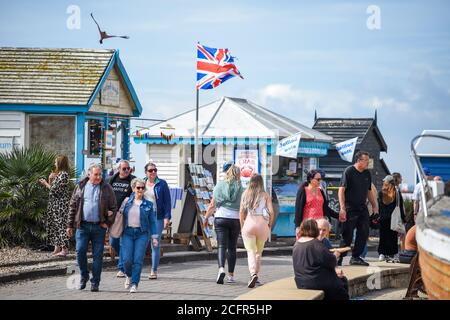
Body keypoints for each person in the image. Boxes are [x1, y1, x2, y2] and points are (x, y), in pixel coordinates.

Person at [67, 163, 117, 292]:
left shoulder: (107, 188)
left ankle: (95, 282)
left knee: (98, 256)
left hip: (99, 227)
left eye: (100, 174)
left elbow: (113, 208)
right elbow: (73, 206)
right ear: (89, 174)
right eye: (96, 174)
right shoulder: (80, 186)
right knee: (80, 251)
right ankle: (84, 275)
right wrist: (69, 225)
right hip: (82, 226)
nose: (99, 177)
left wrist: (107, 223)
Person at [204, 161, 244, 284]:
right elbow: (243, 207)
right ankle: (231, 276)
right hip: (235, 219)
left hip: (221, 217)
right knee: (232, 248)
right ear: (238, 175)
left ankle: (221, 269)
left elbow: (212, 205)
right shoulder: (242, 188)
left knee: (222, 246)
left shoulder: (219, 185)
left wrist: (206, 218)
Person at [338, 151, 378, 266]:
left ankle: (356, 257)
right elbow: (341, 190)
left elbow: (369, 191)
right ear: (359, 160)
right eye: (366, 160)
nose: (368, 163)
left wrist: (375, 206)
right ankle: (339, 257)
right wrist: (342, 208)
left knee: (364, 232)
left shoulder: (367, 174)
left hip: (362, 207)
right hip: (349, 207)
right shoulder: (349, 171)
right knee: (347, 235)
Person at [292, 219, 349, 300]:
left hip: (301, 282)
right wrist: (336, 255)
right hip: (316, 282)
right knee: (342, 282)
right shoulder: (316, 244)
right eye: (318, 229)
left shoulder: (297, 244)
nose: (320, 232)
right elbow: (331, 261)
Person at [121, 178, 159, 293]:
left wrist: (154, 237)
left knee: (138, 260)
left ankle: (134, 284)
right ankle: (128, 275)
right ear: (133, 189)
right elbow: (119, 216)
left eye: (143, 188)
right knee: (127, 260)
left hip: (142, 234)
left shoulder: (148, 204)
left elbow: (152, 222)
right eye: (138, 188)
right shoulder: (126, 202)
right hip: (127, 233)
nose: (140, 190)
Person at [239, 174, 274, 288]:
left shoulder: (245, 194)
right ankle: (256, 276)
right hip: (262, 224)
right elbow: (271, 212)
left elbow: (241, 212)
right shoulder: (265, 195)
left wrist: (242, 225)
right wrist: (269, 225)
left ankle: (253, 273)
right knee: (258, 253)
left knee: (251, 251)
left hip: (249, 222)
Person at [107, 160, 136, 278]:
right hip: (113, 215)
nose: (126, 171)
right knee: (113, 241)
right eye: (124, 169)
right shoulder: (112, 179)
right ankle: (126, 259)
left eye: (128, 168)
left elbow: (138, 193)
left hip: (127, 215)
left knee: (124, 242)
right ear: (118, 169)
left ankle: (122, 268)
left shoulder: (133, 180)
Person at [144, 162, 172, 280]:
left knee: (155, 243)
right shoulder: (141, 183)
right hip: (143, 216)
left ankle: (153, 270)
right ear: (146, 172)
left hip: (157, 217)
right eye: (151, 170)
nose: (153, 172)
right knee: (142, 242)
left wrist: (167, 218)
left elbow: (167, 202)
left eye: (155, 170)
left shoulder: (162, 184)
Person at [39, 155, 71, 257]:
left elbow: (54, 190)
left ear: (60, 163)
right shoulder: (59, 174)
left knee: (61, 225)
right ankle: (57, 248)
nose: (54, 164)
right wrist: (50, 179)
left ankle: (64, 249)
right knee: (55, 226)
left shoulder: (64, 175)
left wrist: (45, 183)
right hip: (55, 203)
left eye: (56, 162)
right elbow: (52, 188)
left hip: (60, 204)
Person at [294, 170, 338, 239]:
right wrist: (297, 227)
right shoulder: (303, 191)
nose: (320, 181)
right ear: (311, 179)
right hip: (308, 225)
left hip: (320, 226)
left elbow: (325, 208)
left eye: (321, 179)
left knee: (320, 246)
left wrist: (338, 216)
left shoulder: (321, 191)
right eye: (318, 179)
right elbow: (298, 210)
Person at [377, 175, 406, 261]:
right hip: (393, 219)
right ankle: (394, 254)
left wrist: (377, 217)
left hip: (383, 218)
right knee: (393, 237)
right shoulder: (396, 192)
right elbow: (400, 206)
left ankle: (382, 254)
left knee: (383, 236)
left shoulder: (381, 192)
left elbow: (379, 206)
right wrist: (403, 219)